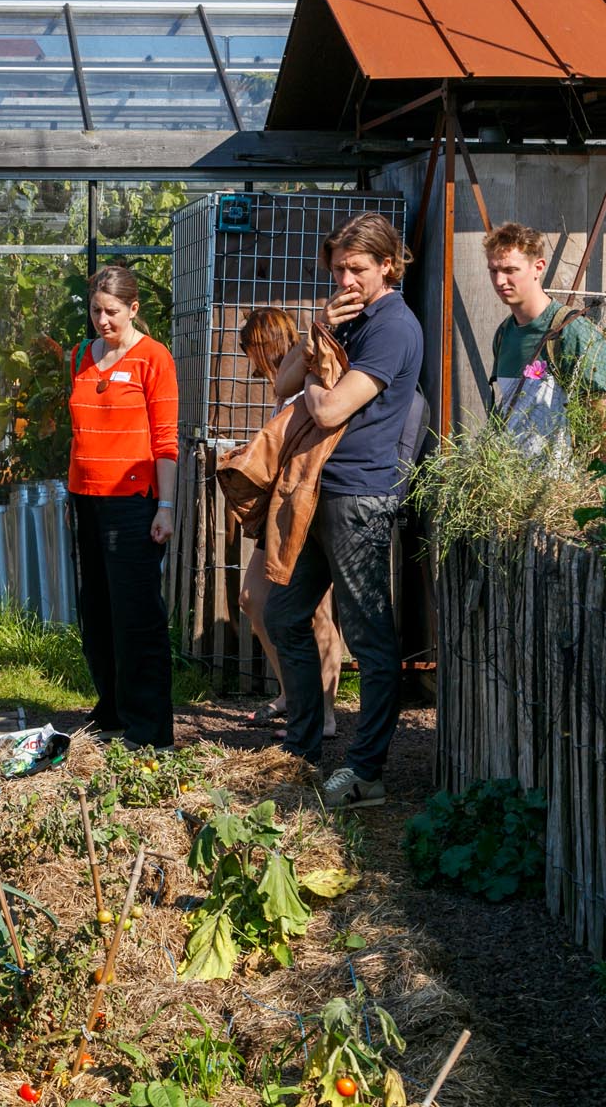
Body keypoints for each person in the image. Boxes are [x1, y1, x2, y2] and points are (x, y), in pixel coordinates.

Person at [260, 214, 422, 808]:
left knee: (370, 640)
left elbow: (329, 412)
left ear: (387, 265)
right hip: (317, 490)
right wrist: (315, 336)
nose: (346, 280)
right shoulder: (344, 319)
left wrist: (316, 386)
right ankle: (302, 754)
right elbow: (283, 384)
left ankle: (365, 773)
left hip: (359, 496)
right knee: (284, 616)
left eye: (357, 269)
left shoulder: (393, 327)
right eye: (338, 270)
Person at [67, 265, 179, 751]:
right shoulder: (80, 357)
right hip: (86, 499)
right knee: (96, 612)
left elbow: (166, 441)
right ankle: (110, 709)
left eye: (112, 311)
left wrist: (166, 506)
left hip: (133, 502)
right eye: (95, 310)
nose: (103, 320)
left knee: (136, 616)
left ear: (134, 309)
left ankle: (150, 729)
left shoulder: (153, 357)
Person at [235, 307, 344, 741]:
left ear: (267, 347)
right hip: (281, 509)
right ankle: (293, 693)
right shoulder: (288, 390)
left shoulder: (308, 386)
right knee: (252, 599)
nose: (251, 364)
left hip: (305, 508)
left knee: (315, 612)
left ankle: (326, 713)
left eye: (252, 352)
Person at [484, 222, 606, 455]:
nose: (499, 281)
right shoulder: (504, 333)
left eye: (510, 270)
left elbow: (603, 414)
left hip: (560, 485)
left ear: (538, 267)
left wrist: (601, 481)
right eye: (494, 270)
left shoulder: (570, 331)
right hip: (512, 482)